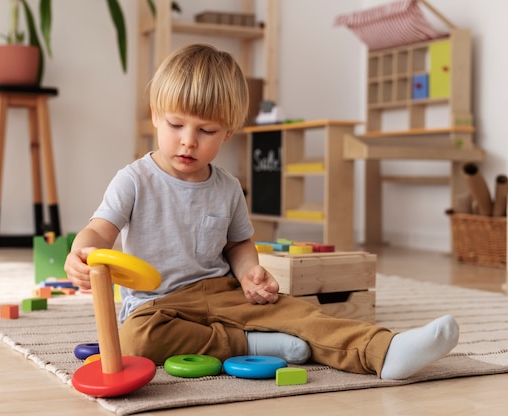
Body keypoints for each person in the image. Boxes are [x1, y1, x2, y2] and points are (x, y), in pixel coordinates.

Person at [64, 43, 459, 380]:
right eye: (175, 125)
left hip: (221, 291)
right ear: (154, 115)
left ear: (228, 133)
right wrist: (81, 251)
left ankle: (383, 351)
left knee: (299, 312)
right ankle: (249, 343)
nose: (188, 142)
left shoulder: (228, 186)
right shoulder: (133, 180)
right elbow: (99, 231)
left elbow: (238, 245)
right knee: (135, 340)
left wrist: (250, 272)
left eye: (206, 131)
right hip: (156, 304)